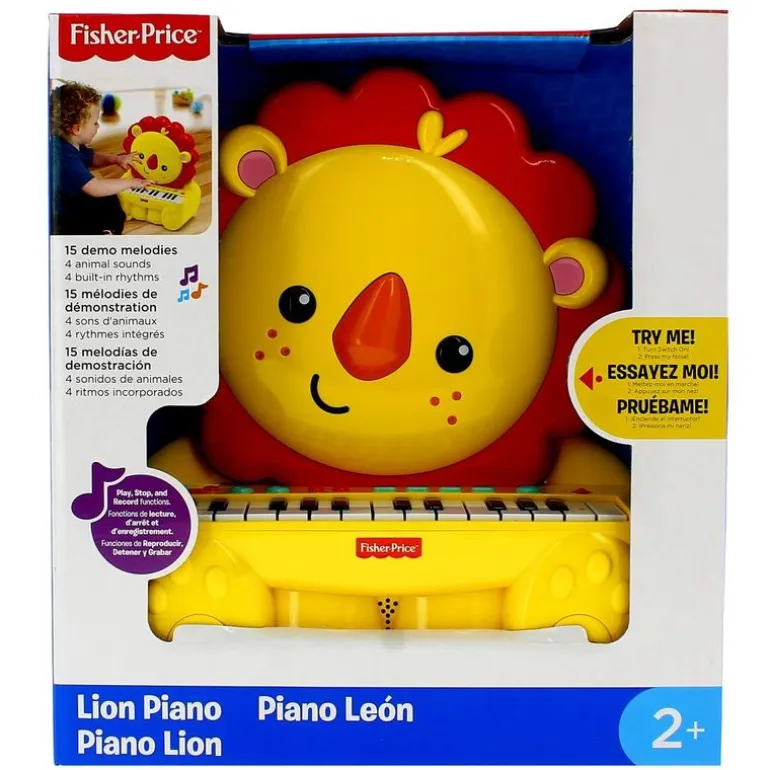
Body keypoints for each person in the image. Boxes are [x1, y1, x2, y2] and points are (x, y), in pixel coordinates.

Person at [50, 82, 152, 235]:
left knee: (109, 198)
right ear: (77, 129)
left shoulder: (67, 143)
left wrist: (116, 159)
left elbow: (92, 157)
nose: (98, 127)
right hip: (61, 219)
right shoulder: (64, 158)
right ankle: (103, 236)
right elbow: (95, 187)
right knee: (105, 203)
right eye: (95, 123)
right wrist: (132, 182)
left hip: (68, 201)